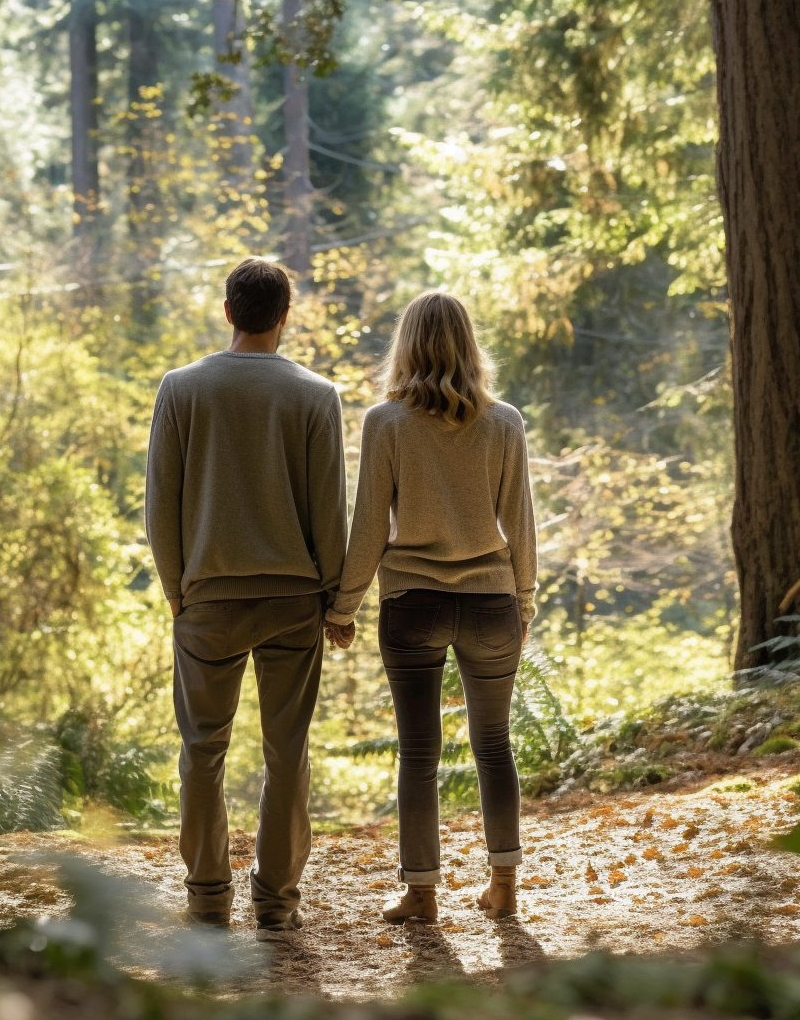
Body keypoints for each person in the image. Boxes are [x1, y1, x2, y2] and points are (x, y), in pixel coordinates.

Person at [145, 258, 347, 936]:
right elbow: (330, 512)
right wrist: (335, 598)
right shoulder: (317, 395)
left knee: (203, 749)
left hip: (207, 598)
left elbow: (160, 506)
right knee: (287, 749)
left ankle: (207, 899)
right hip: (294, 598)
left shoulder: (181, 389)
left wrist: (176, 592)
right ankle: (276, 903)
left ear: (227, 312)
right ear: (284, 316)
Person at [325, 291, 537, 923]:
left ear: (406, 344)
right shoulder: (505, 423)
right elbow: (520, 523)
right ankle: (503, 886)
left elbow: (368, 525)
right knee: (493, 744)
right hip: (490, 601)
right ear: (470, 344)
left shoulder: (385, 422)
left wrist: (344, 605)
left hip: (411, 601)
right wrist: (523, 600)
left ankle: (420, 893)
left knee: (419, 751)